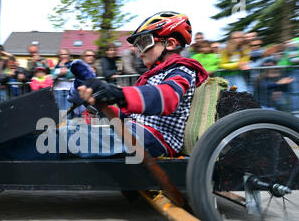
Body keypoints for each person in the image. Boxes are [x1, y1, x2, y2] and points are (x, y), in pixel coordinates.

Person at [75, 11, 208, 158]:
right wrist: (99, 104)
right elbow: (128, 115)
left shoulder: (182, 70)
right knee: (71, 132)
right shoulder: (153, 75)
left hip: (158, 139)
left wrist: (118, 93)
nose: (139, 51)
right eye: (138, 46)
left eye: (144, 43)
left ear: (170, 44)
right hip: (139, 131)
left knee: (66, 138)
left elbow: (168, 97)